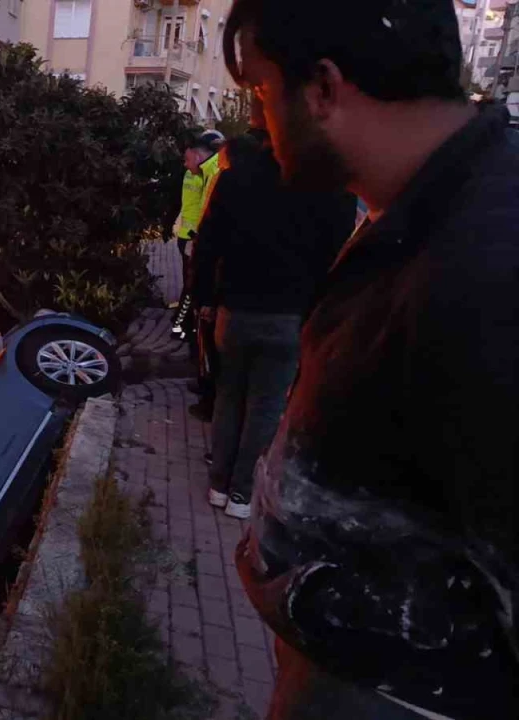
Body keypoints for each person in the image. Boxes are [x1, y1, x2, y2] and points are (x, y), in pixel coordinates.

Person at [222, 1, 519, 719]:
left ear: (324, 88)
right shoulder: (423, 210)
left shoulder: (490, 270)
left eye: (262, 89)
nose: (259, 118)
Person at [190, 103, 355, 520]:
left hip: (235, 309)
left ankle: (218, 485)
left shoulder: (235, 179)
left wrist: (204, 297)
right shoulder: (332, 188)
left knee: (229, 395)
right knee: (265, 405)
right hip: (290, 315)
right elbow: (339, 257)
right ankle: (241, 494)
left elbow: (207, 243)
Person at [170, 130, 225, 345]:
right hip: (192, 238)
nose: (185, 164)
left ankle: (183, 324)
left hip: (191, 237)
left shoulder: (205, 172)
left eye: (187, 159)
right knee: (192, 286)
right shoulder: (202, 172)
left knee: (191, 285)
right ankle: (182, 326)